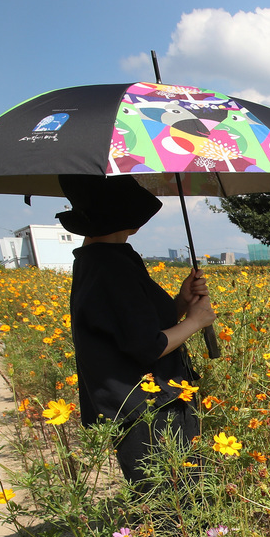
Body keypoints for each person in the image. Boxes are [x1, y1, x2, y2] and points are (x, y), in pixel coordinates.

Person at [60, 174, 215, 487]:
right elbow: (148, 345)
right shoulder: (108, 268)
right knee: (173, 501)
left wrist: (182, 302)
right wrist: (195, 322)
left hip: (151, 403)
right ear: (127, 217)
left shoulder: (106, 259)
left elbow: (135, 326)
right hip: (147, 412)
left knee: (176, 496)